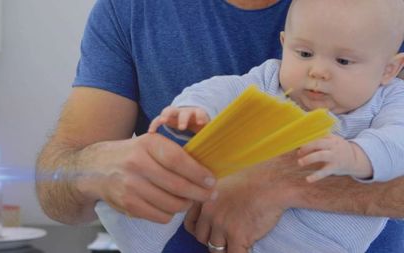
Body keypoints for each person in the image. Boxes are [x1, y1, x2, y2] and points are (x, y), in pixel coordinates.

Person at [35, 0, 404, 252]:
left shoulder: (379, 22)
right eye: (304, 54)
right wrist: (190, 112)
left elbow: (397, 138)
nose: (317, 71)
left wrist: (297, 176)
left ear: (390, 69)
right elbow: (221, 90)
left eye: (342, 61)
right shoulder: (270, 78)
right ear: (285, 44)